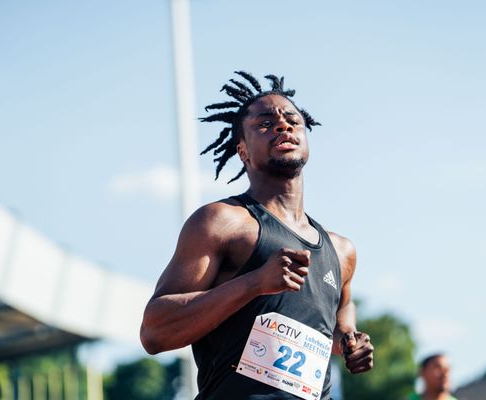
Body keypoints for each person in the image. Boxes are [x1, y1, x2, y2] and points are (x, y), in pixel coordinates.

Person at [140, 71, 374, 399]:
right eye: (265, 123)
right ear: (243, 151)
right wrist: (254, 283)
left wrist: (348, 339)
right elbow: (154, 331)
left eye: (292, 120)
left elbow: (341, 309)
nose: (282, 125)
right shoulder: (222, 223)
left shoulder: (341, 250)